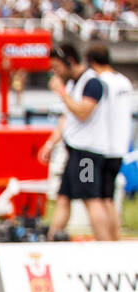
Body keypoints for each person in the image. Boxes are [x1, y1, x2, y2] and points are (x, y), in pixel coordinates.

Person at [38, 43, 114, 241]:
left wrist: (62, 93)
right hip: (74, 151)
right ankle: (51, 241)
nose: (54, 72)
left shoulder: (92, 83)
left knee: (91, 199)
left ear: (69, 61)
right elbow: (67, 119)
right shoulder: (73, 84)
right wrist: (50, 143)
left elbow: (82, 113)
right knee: (63, 198)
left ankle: (106, 246)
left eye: (57, 67)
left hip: (87, 152)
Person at [85, 42, 132, 241]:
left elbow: (91, 112)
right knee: (108, 198)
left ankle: (104, 241)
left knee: (93, 198)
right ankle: (115, 240)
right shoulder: (124, 81)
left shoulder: (98, 82)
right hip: (120, 146)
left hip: (100, 148)